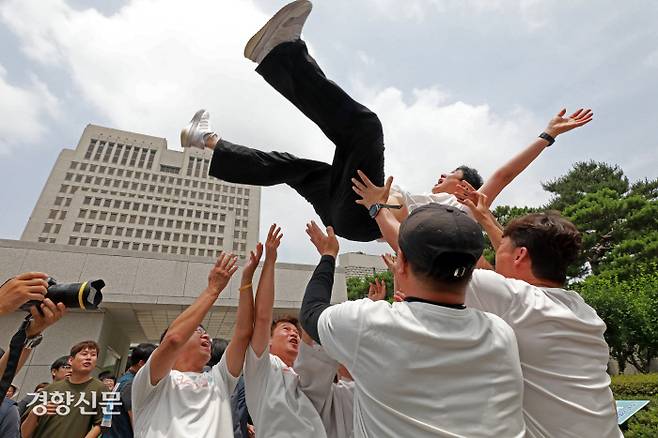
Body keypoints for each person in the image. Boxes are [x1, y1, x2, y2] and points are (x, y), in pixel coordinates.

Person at [179, 0, 592, 243]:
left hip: (364, 215)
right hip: (353, 210)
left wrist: (546, 136)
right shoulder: (445, 204)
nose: (443, 175)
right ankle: (208, 140)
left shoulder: (467, 209)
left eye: (451, 174)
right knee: (296, 167)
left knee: (364, 128)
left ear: (465, 185)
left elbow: (504, 172)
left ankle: (280, 54)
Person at [299, 207, 526, 437]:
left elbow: (310, 312)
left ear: (402, 261)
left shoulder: (370, 324)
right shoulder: (501, 333)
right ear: (471, 271)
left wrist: (328, 255)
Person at [452, 191, 622, 437]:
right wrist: (486, 219)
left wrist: (378, 208)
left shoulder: (517, 301)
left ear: (520, 255)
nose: (495, 254)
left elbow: (428, 256)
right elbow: (518, 255)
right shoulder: (582, 309)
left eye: (501, 249)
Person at [131, 249, 256, 437]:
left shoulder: (220, 378)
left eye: (207, 334)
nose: (207, 337)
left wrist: (246, 281)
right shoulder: (152, 381)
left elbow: (243, 333)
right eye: (198, 331)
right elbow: (174, 340)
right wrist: (213, 289)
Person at [243, 224, 327, 437]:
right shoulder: (262, 366)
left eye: (296, 332)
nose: (294, 334)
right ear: (268, 342)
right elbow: (262, 318)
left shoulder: (304, 370)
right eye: (286, 329)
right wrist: (270, 260)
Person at [21, 340, 106, 438]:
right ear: (71, 360)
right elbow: (24, 433)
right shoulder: (49, 389)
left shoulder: (100, 389)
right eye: (84, 354)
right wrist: (33, 413)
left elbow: (101, 424)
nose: (88, 358)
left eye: (93, 355)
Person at [104, 343, 156, 438]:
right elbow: (135, 419)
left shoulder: (124, 379)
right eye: (153, 362)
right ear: (141, 363)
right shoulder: (130, 383)